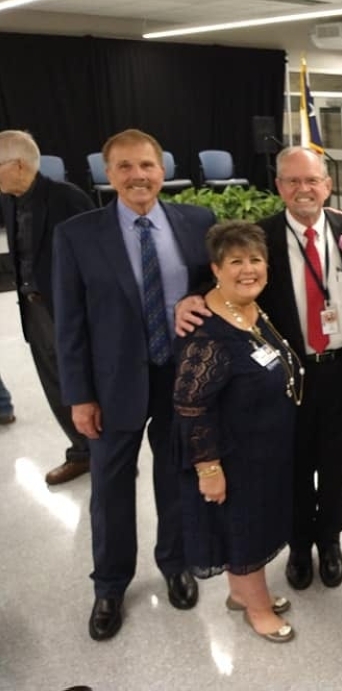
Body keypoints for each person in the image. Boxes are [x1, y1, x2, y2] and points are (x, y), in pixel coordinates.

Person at [53, 128, 214, 641]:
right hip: (111, 384)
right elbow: (69, 324)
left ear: (162, 170)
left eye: (145, 165)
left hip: (179, 377)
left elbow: (216, 287)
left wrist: (202, 300)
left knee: (176, 478)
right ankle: (110, 585)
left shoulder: (197, 222)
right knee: (111, 490)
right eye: (124, 167)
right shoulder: (78, 234)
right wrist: (79, 396)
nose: (137, 176)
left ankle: (176, 563)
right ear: (108, 174)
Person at [174, 221, 301, 643]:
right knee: (246, 527)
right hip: (234, 454)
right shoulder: (208, 335)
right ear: (215, 268)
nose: (248, 270)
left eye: (255, 260)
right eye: (236, 262)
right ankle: (259, 609)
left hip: (264, 446)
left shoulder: (249, 308)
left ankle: (240, 594)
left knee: (250, 523)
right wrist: (208, 468)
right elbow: (192, 406)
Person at [257, 146, 342, 592]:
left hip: (341, 369)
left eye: (312, 180)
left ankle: (330, 541)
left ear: (327, 184)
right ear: (279, 186)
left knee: (336, 462)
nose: (303, 189)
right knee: (294, 464)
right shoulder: (259, 237)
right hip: (289, 374)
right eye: (292, 180)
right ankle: (299, 544)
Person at [0, 130, 94, 483]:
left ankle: (112, 457)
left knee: (86, 385)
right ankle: (81, 451)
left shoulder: (66, 199)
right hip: (34, 308)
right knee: (56, 384)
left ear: (19, 165)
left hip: (69, 311)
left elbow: (94, 258)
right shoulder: (9, 199)